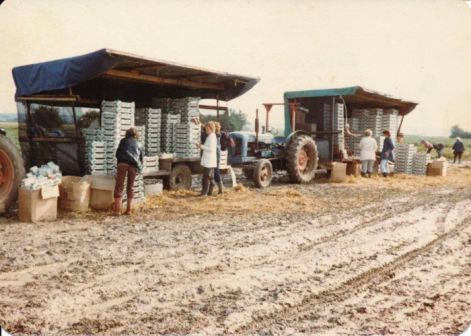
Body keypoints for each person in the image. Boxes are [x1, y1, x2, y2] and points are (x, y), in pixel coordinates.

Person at [113, 127, 143, 215]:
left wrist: (121, 160)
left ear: (127, 134)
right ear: (136, 135)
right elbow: (141, 159)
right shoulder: (139, 144)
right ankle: (129, 210)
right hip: (133, 165)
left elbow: (117, 153)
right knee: (131, 187)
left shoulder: (123, 141)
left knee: (119, 186)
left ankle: (117, 210)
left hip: (122, 163)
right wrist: (140, 168)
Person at [197, 121, 217, 196]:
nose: (206, 130)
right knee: (209, 176)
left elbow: (210, 149)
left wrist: (201, 146)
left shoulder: (212, 137)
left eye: (207, 129)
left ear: (211, 128)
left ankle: (204, 193)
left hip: (209, 161)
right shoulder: (211, 136)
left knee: (205, 177)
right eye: (206, 129)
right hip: (209, 160)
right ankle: (210, 189)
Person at [213, 122, 224, 194]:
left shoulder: (216, 135)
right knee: (215, 172)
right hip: (216, 155)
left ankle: (221, 189)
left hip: (215, 155)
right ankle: (220, 188)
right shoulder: (218, 135)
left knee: (216, 172)